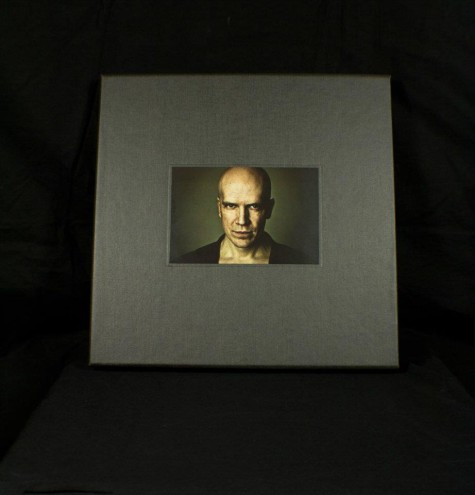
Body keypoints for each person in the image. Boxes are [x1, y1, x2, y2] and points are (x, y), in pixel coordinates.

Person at [176, 167, 311, 264]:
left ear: (269, 209)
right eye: (231, 206)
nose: (242, 221)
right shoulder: (187, 263)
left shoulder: (301, 263)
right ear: (219, 208)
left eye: (254, 206)